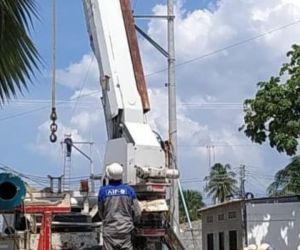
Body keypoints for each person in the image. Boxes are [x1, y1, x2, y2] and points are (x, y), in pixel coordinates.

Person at [98, 163, 141, 250]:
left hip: (109, 231)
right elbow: (137, 212)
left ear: (108, 176)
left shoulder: (103, 191)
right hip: (126, 231)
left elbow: (101, 213)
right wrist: (133, 222)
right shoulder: (129, 191)